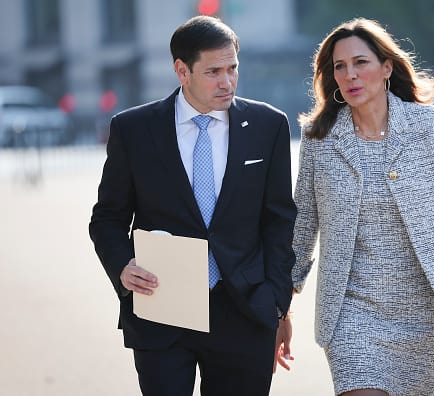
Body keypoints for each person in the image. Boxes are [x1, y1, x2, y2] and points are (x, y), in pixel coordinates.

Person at [291, 18, 434, 396]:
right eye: (339, 66)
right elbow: (302, 228)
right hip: (351, 313)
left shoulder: (430, 126)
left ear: (386, 67)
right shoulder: (318, 139)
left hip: (424, 315)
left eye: (361, 63)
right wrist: (281, 306)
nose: (350, 75)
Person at [89, 15, 296, 396]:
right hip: (161, 308)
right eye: (213, 71)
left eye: (233, 68)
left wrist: (276, 302)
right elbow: (107, 218)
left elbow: (280, 220)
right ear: (181, 70)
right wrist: (122, 266)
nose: (227, 81)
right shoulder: (133, 129)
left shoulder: (270, 125)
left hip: (245, 311)